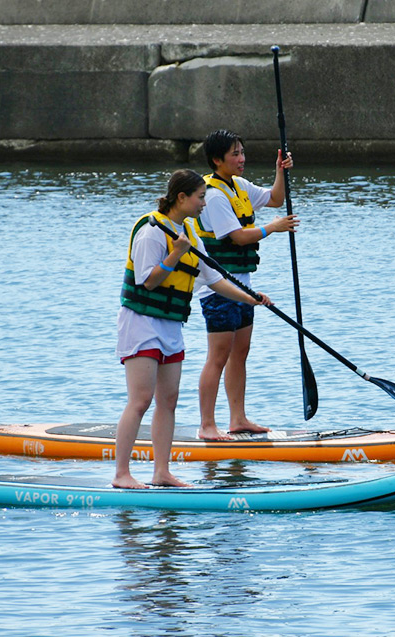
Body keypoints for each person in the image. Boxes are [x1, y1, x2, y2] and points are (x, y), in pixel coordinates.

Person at [113, 169, 272, 489]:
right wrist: (177, 252)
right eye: (200, 197)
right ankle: (122, 475)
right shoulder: (152, 231)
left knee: (168, 401)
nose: (204, 203)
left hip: (171, 325)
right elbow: (149, 280)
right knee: (140, 400)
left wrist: (250, 299)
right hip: (141, 322)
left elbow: (214, 280)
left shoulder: (189, 231)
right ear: (181, 198)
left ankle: (161, 472)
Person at [195, 129, 298, 440]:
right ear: (217, 160)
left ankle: (238, 419)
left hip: (245, 286)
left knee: (241, 353)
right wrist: (272, 229)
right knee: (219, 355)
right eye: (234, 154)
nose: (241, 159)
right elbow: (238, 237)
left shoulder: (239, 186)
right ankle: (206, 426)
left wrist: (280, 171)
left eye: (242, 152)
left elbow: (277, 199)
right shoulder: (212, 195)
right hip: (217, 290)